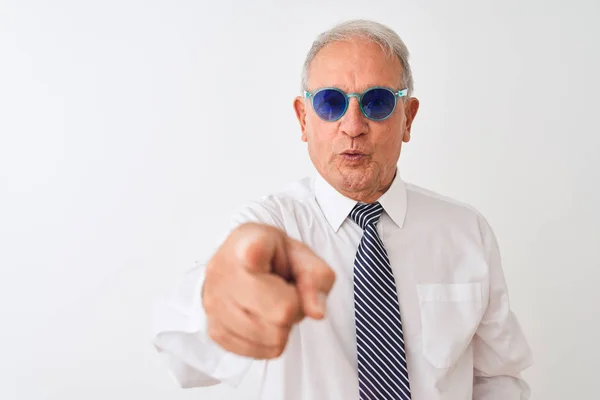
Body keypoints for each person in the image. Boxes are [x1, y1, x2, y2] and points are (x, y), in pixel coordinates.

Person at [152, 19, 533, 400]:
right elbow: (190, 351)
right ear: (304, 119)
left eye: (378, 102)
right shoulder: (268, 229)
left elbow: (495, 377)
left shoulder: (466, 231)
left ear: (408, 118)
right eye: (330, 103)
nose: (353, 126)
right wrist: (220, 297)